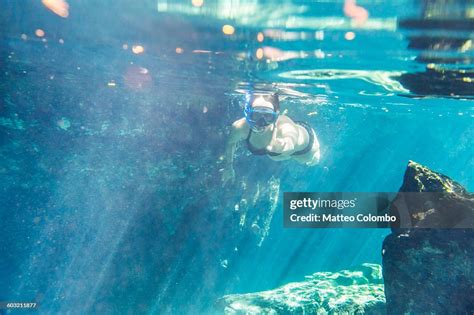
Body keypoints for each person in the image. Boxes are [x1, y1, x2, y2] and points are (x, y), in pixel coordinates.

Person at [222, 93, 320, 184]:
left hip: (305, 149)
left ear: (276, 116)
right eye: (256, 115)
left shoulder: (284, 125)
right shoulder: (240, 127)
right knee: (277, 156)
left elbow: (291, 136)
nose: (261, 122)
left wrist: (285, 145)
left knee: (312, 161)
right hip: (284, 154)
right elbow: (231, 143)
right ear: (247, 113)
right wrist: (228, 166)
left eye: (268, 116)